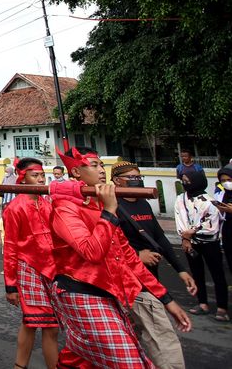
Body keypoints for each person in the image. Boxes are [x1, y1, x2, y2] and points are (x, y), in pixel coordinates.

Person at [50, 146, 191, 368]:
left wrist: (165, 298)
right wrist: (108, 211)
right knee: (130, 362)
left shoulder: (101, 203)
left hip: (113, 292)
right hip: (81, 291)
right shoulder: (65, 208)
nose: (101, 170)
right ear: (76, 172)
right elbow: (92, 252)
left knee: (84, 358)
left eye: (102, 165)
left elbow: (128, 258)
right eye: (94, 165)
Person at [113, 161, 197, 368]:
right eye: (131, 177)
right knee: (161, 337)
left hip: (152, 278)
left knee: (140, 336)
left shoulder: (143, 203)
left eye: (138, 176)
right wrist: (136, 255)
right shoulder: (113, 206)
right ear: (117, 181)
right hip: (134, 283)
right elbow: (110, 245)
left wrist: (180, 269)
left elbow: (159, 237)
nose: (137, 180)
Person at [3, 158, 58, 369]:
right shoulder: (15, 208)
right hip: (29, 268)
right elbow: (10, 247)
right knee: (47, 324)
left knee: (34, 322)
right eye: (35, 175)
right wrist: (10, 284)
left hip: (53, 269)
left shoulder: (47, 202)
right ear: (22, 178)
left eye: (43, 175)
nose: (41, 179)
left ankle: (20, 365)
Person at [175, 170, 228, 321]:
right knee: (196, 273)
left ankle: (222, 308)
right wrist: (185, 238)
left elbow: (212, 225)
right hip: (190, 242)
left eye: (187, 180)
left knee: (217, 274)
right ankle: (202, 303)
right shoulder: (181, 199)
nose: (185, 183)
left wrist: (192, 232)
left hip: (210, 242)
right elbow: (180, 218)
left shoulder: (209, 201)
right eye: (183, 180)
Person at [213, 164, 232, 277]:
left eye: (229, 180)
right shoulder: (221, 194)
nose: (226, 183)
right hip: (227, 231)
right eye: (223, 180)